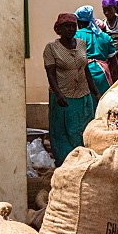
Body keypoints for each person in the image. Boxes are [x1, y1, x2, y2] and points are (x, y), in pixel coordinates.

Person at [45, 13, 101, 166]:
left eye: (73, 26)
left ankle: (83, 161)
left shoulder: (82, 44)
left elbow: (86, 70)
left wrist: (95, 92)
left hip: (83, 95)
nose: (71, 29)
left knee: (82, 129)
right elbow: (50, 73)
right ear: (59, 29)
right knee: (63, 132)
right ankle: (66, 163)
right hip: (64, 97)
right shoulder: (51, 48)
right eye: (67, 26)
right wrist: (58, 93)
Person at [75, 5, 117, 94]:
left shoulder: (76, 36)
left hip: (84, 75)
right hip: (103, 75)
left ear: (79, 22)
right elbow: (114, 65)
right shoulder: (105, 37)